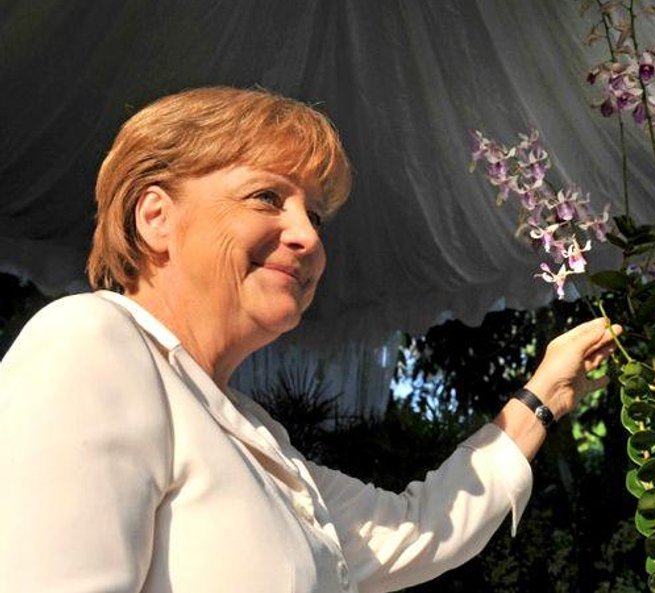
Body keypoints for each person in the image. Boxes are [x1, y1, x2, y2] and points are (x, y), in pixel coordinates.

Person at [0, 86, 621, 593]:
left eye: (315, 215)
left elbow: (417, 530)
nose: (307, 236)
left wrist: (544, 394)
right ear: (156, 217)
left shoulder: (256, 437)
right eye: (267, 197)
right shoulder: (90, 342)